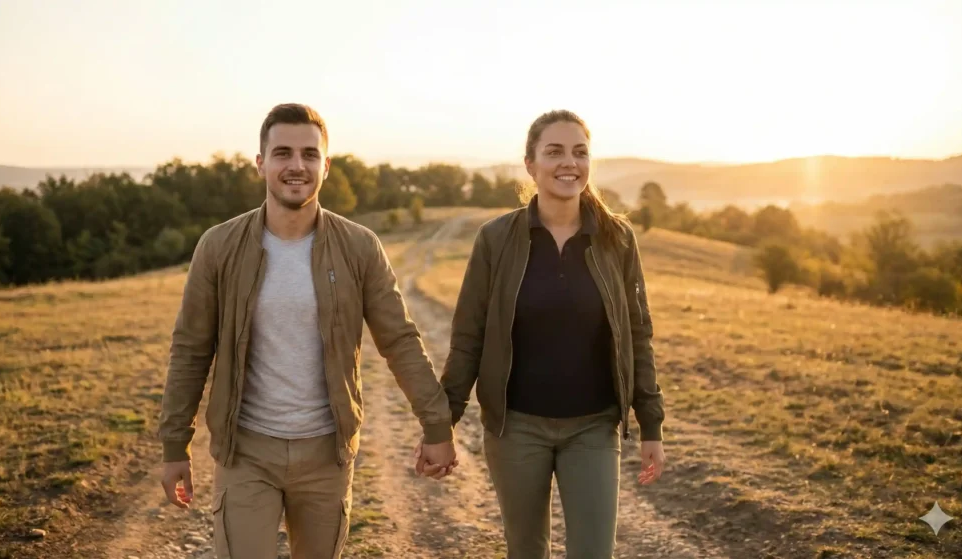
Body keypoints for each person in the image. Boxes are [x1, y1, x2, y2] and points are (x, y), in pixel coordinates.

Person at [158, 103, 457, 559]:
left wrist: (436, 425)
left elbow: (398, 340)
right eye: (282, 153)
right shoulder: (219, 246)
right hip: (246, 453)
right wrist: (174, 444)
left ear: (326, 165)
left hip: (327, 454)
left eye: (309, 155)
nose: (296, 166)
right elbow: (191, 348)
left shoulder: (359, 247)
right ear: (260, 164)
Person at [438, 109, 667, 558]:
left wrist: (651, 424)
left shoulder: (616, 238)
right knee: (526, 551)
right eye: (555, 152)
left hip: (594, 427)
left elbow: (637, 334)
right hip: (515, 429)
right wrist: (441, 423)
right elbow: (469, 336)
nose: (569, 163)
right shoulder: (496, 239)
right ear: (531, 164)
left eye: (580, 152)